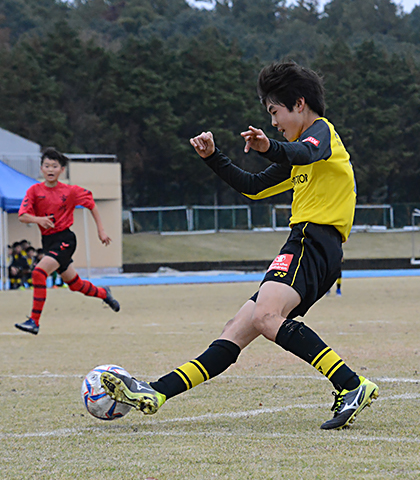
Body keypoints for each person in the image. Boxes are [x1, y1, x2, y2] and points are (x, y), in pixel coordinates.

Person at [99, 62, 378, 430]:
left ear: (299, 103)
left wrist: (269, 147)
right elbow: (253, 186)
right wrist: (214, 157)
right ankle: (156, 391)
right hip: (308, 244)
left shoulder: (322, 134)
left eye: (274, 112)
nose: (275, 122)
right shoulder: (294, 153)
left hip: (313, 240)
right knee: (238, 328)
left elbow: (306, 152)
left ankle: (351, 384)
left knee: (264, 318)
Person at [14, 148, 120, 335]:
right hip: (48, 242)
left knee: (38, 273)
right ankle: (104, 293)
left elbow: (91, 204)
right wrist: (38, 220)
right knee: (75, 285)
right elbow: (22, 215)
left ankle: (34, 321)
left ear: (62, 170)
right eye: (47, 165)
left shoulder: (70, 191)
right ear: (41, 168)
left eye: (55, 166)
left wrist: (101, 230)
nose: (50, 169)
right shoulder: (34, 191)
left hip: (65, 239)